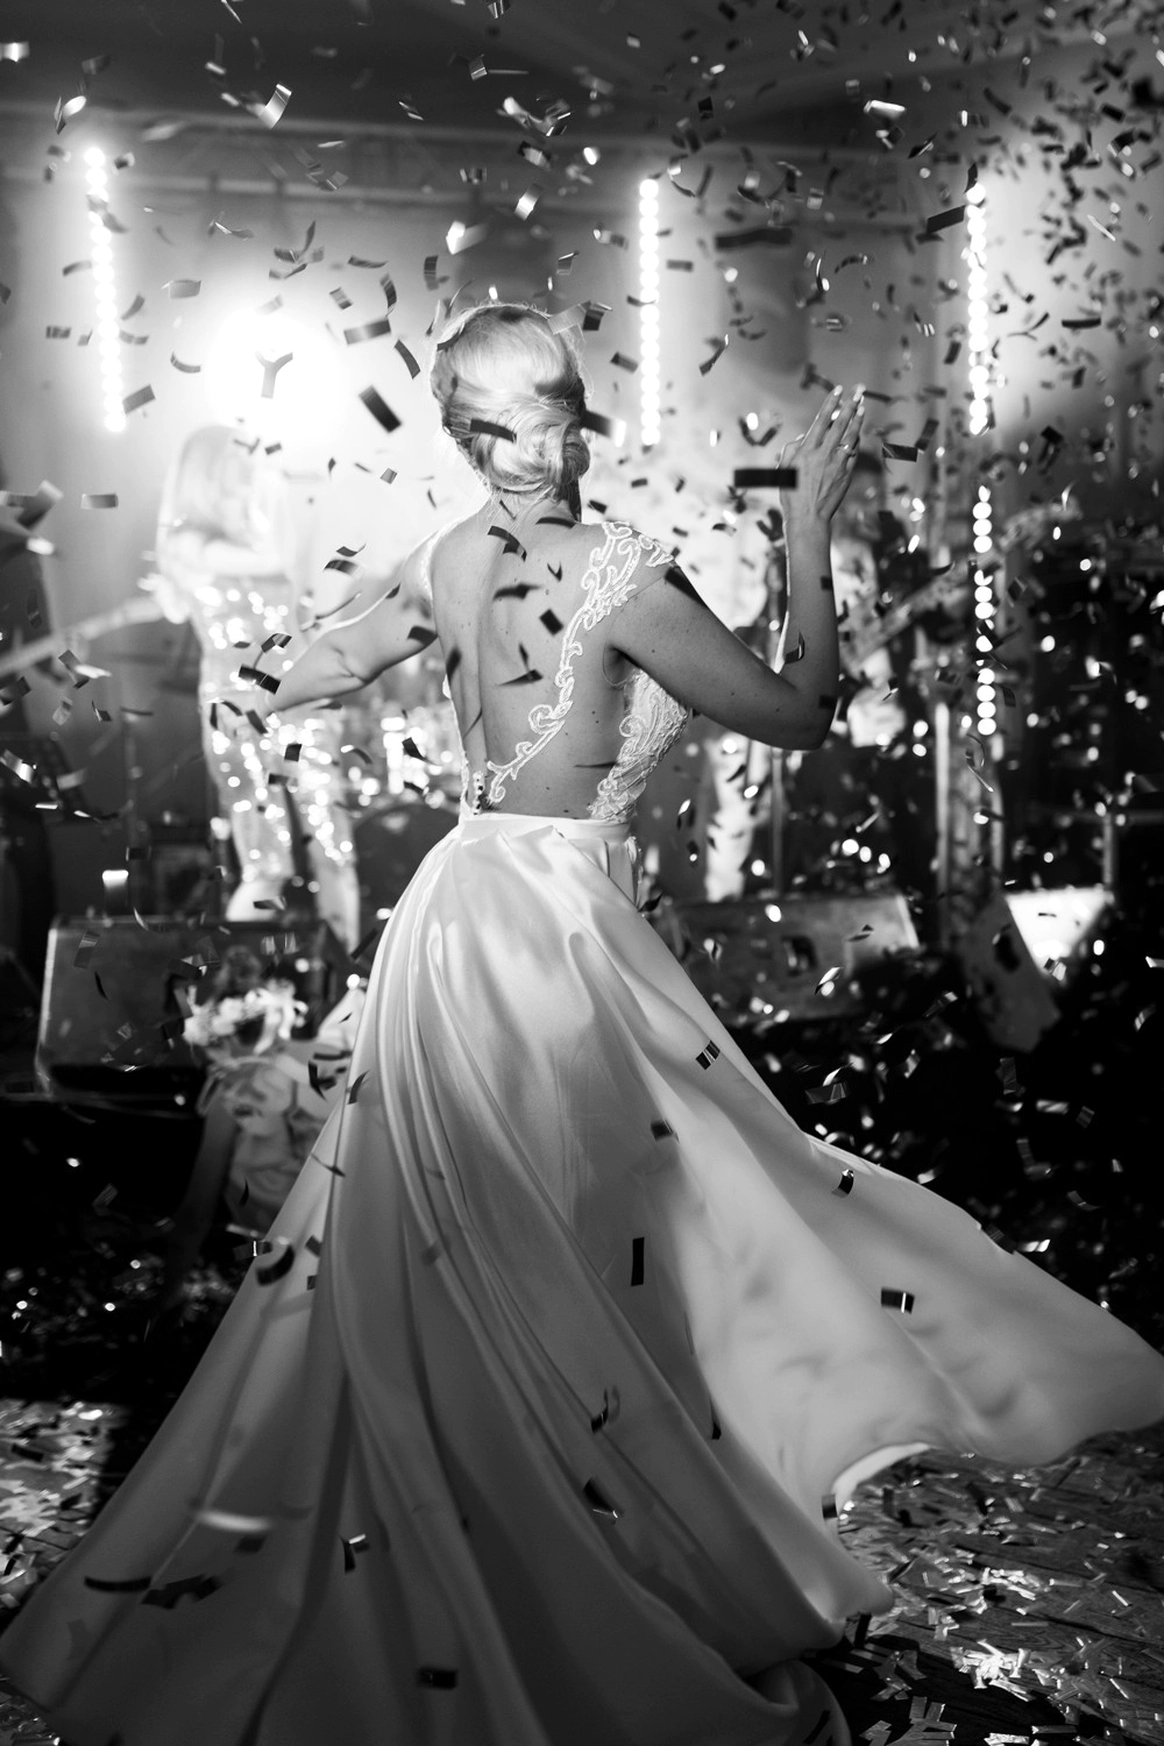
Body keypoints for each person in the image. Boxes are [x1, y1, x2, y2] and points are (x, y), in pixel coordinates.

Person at [2, 303, 1161, 1746]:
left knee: (479, 1256)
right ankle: (556, 1569)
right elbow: (800, 713)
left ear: (522, 424)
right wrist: (806, 538)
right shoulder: (620, 571)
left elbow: (285, 674)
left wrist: (229, 676)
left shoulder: (443, 558)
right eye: (514, 420)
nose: (528, 444)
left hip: (455, 916)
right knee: (609, 1234)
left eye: (531, 417)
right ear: (526, 421)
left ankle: (464, 1544)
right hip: (546, 933)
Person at [148, 426, 361, 949]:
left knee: (333, 850)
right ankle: (243, 989)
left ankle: (344, 984)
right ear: (211, 470)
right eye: (240, 462)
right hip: (239, 707)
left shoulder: (252, 528)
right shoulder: (187, 539)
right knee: (266, 864)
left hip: (300, 697)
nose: (249, 469)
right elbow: (272, 560)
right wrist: (276, 488)